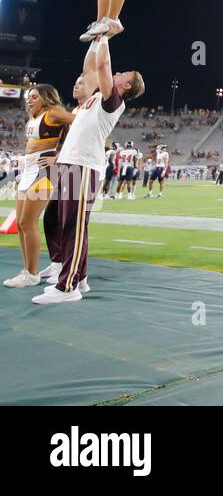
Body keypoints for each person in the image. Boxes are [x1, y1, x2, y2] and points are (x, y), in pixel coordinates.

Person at [35, 33, 143, 305]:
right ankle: (79, 276)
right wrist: (96, 42)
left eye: (124, 73)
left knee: (72, 226)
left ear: (126, 85)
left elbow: (104, 67)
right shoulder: (93, 98)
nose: (118, 71)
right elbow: (91, 68)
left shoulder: (113, 101)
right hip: (71, 165)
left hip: (84, 167)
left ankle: (67, 287)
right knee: (71, 224)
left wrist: (105, 34)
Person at [3, 86, 73, 288]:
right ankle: (28, 271)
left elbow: (80, 127)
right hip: (29, 169)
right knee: (21, 225)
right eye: (28, 97)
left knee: (27, 221)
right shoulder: (35, 116)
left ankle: (32, 273)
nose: (29, 100)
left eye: (34, 97)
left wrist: (59, 156)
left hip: (44, 171)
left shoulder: (53, 112)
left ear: (46, 97)